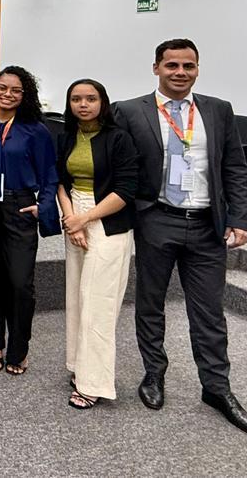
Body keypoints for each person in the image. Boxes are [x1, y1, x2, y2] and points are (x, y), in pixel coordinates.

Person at [114, 39, 247, 437]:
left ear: (197, 69)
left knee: (209, 312)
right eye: (172, 65)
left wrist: (240, 217)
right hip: (157, 220)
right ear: (156, 68)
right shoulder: (129, 111)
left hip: (207, 225)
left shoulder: (218, 109)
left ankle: (216, 388)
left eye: (188, 66)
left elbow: (235, 167)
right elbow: (118, 165)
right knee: (150, 303)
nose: (180, 72)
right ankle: (153, 373)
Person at [56, 78, 138, 410]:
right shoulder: (66, 136)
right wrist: (70, 219)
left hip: (107, 218)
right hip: (73, 211)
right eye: (76, 99)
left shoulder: (119, 139)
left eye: (90, 98)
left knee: (98, 302)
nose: (83, 104)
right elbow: (59, 181)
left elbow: (126, 190)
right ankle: (79, 366)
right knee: (76, 297)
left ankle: (94, 383)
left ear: (102, 102)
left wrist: (85, 219)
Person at [0, 66, 59, 376]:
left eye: (15, 90)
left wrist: (42, 206)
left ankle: (19, 348)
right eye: (2, 88)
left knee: (20, 282)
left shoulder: (35, 130)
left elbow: (50, 174)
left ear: (25, 95)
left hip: (19, 206)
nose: (7, 94)